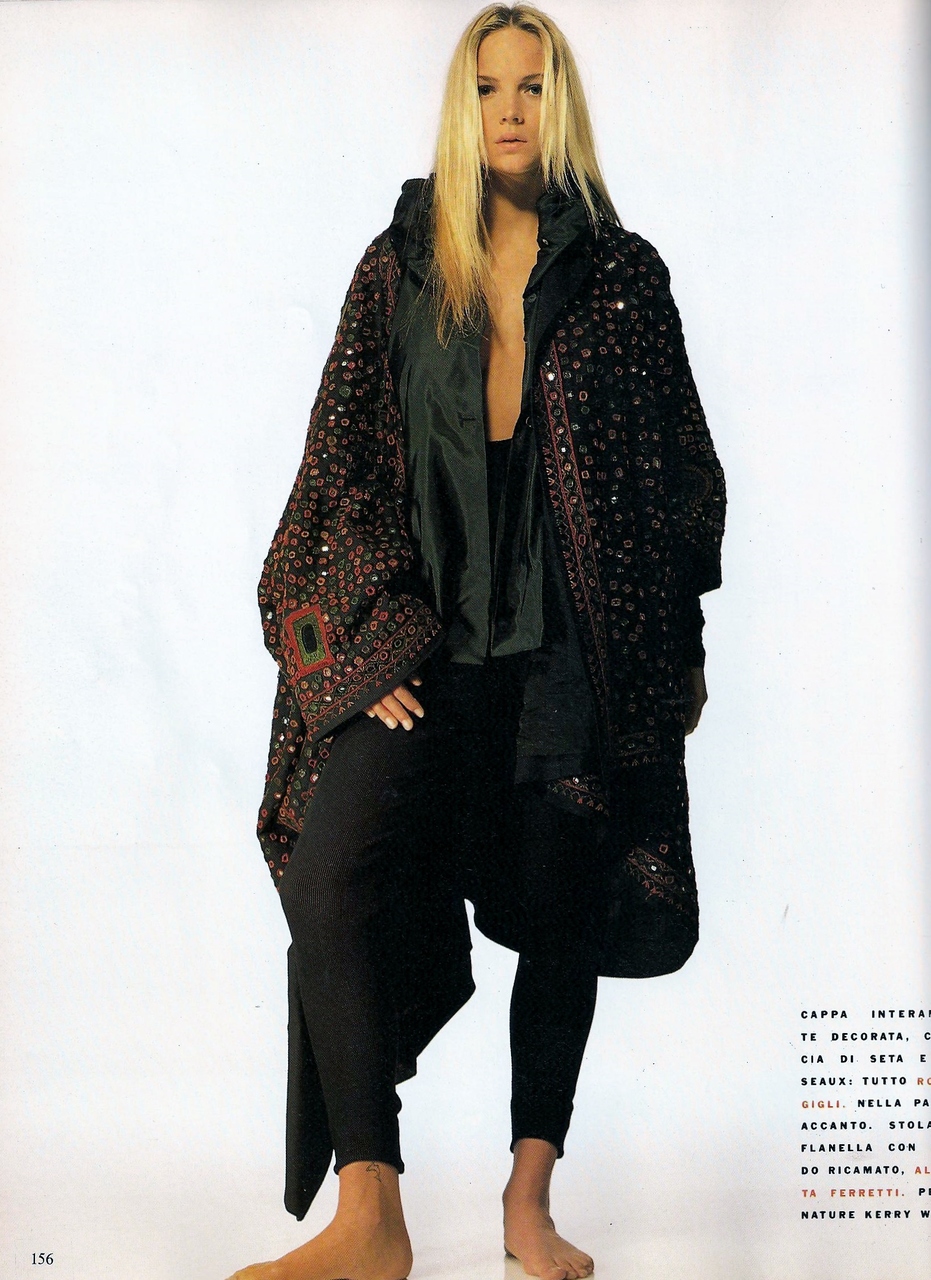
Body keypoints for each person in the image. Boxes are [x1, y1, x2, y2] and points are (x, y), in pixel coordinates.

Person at [231, 6, 724, 1280]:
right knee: (330, 871)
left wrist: (675, 642)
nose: (511, 108)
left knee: (562, 911)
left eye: (533, 85)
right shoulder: (401, 265)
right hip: (426, 647)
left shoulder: (623, 278)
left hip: (567, 658)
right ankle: (372, 1213)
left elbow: (679, 474)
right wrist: (364, 643)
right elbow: (338, 462)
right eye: (490, 86)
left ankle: (527, 1201)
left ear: (561, 107)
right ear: (464, 107)